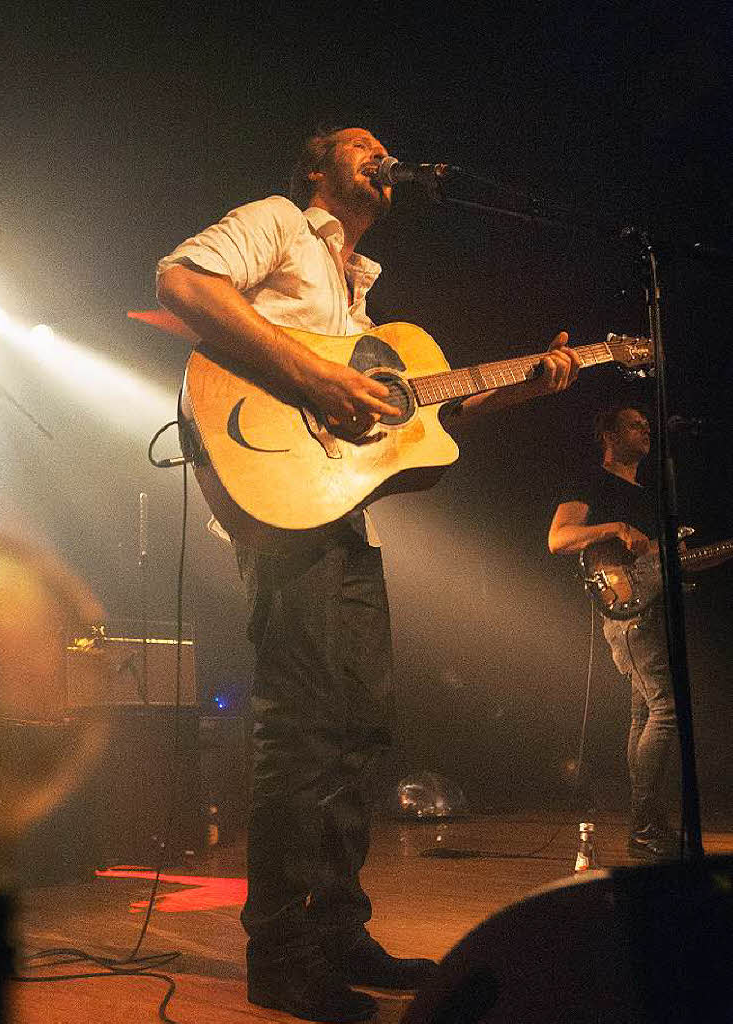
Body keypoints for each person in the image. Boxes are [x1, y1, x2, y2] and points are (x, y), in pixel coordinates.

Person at [157, 126, 581, 1022]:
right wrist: (316, 377)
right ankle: (281, 956)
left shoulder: (362, 298)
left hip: (337, 510)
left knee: (356, 729)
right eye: (361, 146)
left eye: (388, 152)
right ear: (316, 170)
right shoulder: (276, 221)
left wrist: (532, 385)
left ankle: (339, 932)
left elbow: (412, 416)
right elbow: (182, 281)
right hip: (273, 494)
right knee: (302, 729)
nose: (383, 158)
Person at [548, 403, 680, 861]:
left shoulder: (648, 490)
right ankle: (643, 825)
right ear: (608, 433)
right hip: (628, 617)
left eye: (647, 424)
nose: (645, 428)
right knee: (668, 710)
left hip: (655, 610)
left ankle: (648, 823)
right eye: (633, 423)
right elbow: (558, 538)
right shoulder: (591, 481)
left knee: (645, 716)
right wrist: (617, 527)